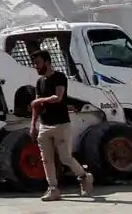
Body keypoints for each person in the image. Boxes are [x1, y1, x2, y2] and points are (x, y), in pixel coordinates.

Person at [29, 50, 92, 200]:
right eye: (34, 64)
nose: (36, 67)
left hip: (61, 124)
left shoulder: (59, 77)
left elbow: (57, 97)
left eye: (38, 63)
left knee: (65, 158)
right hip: (44, 125)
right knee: (46, 160)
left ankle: (84, 177)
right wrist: (33, 125)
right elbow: (36, 106)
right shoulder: (39, 82)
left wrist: (38, 100)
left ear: (47, 62)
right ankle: (53, 189)